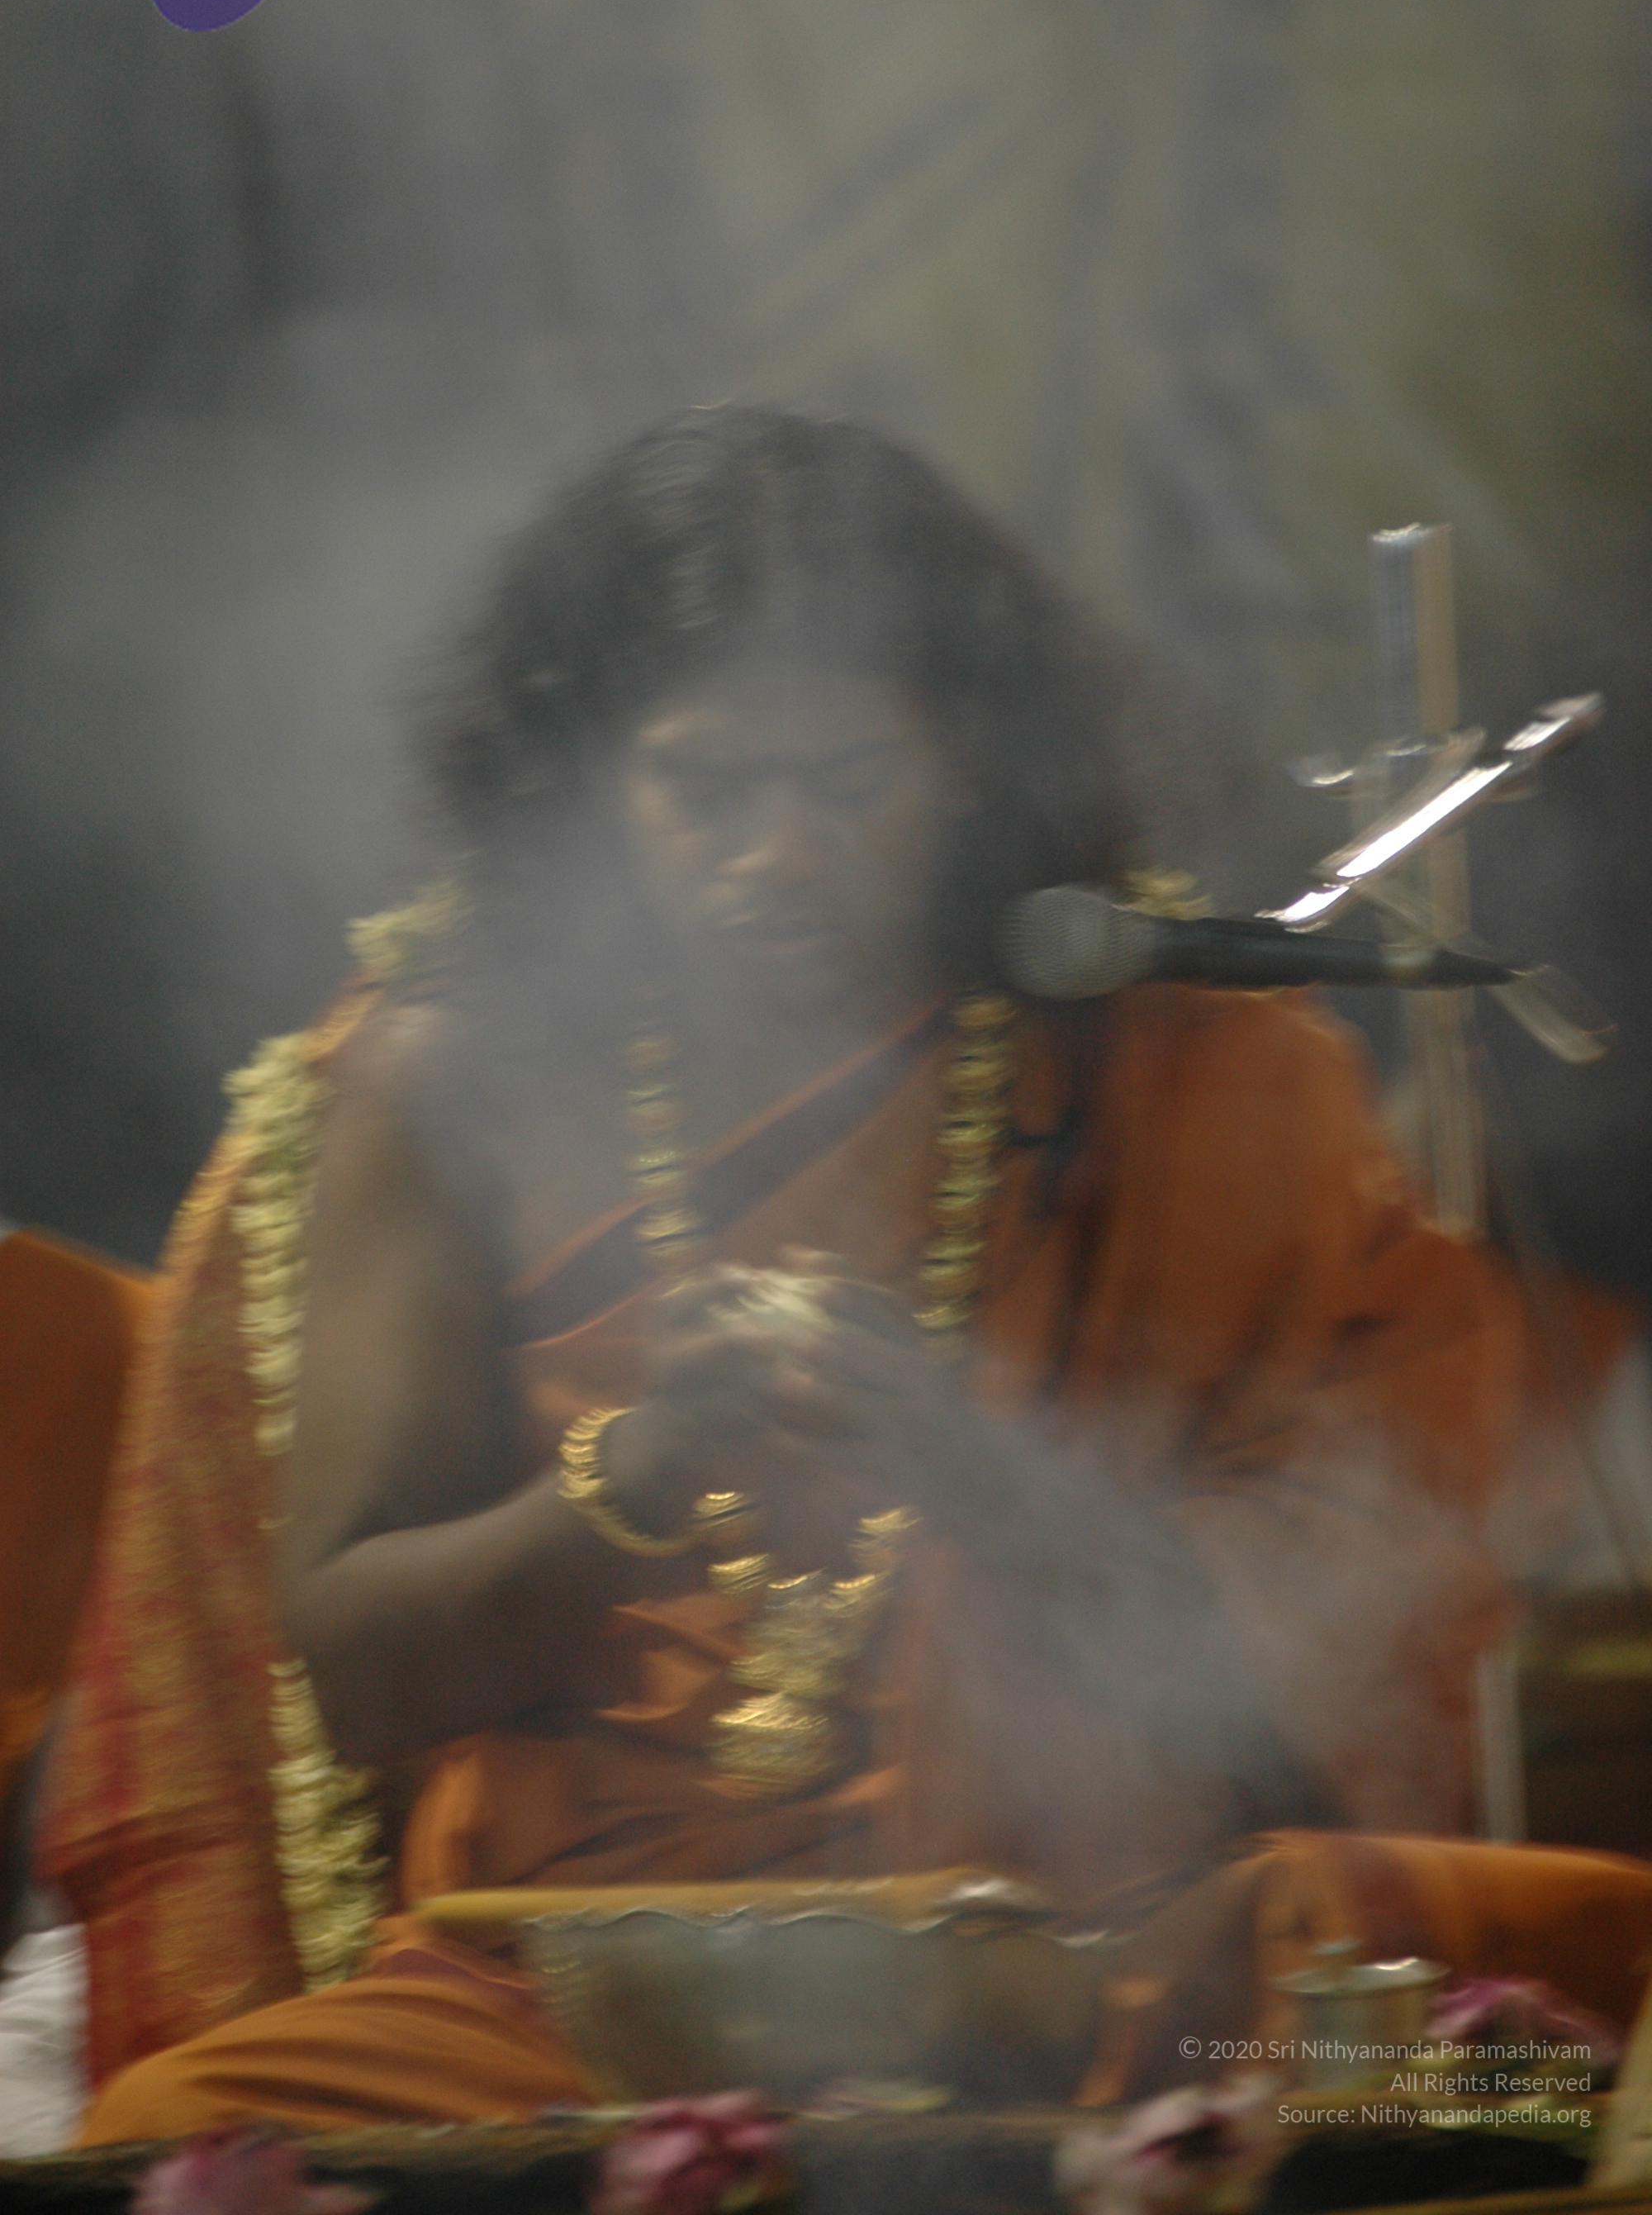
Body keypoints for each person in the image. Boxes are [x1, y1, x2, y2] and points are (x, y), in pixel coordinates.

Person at [55, 407, 1652, 2140]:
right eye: (704, 790)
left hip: (1076, 1964)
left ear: (965, 766)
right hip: (589, 1993)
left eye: (843, 783)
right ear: (588, 779)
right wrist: (638, 1472)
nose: (779, 853)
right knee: (174, 2137)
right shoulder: (463, 1086)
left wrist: (979, 1466)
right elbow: (368, 1677)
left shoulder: (1182, 1070)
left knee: (1528, 2027)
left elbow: (1300, 1706)